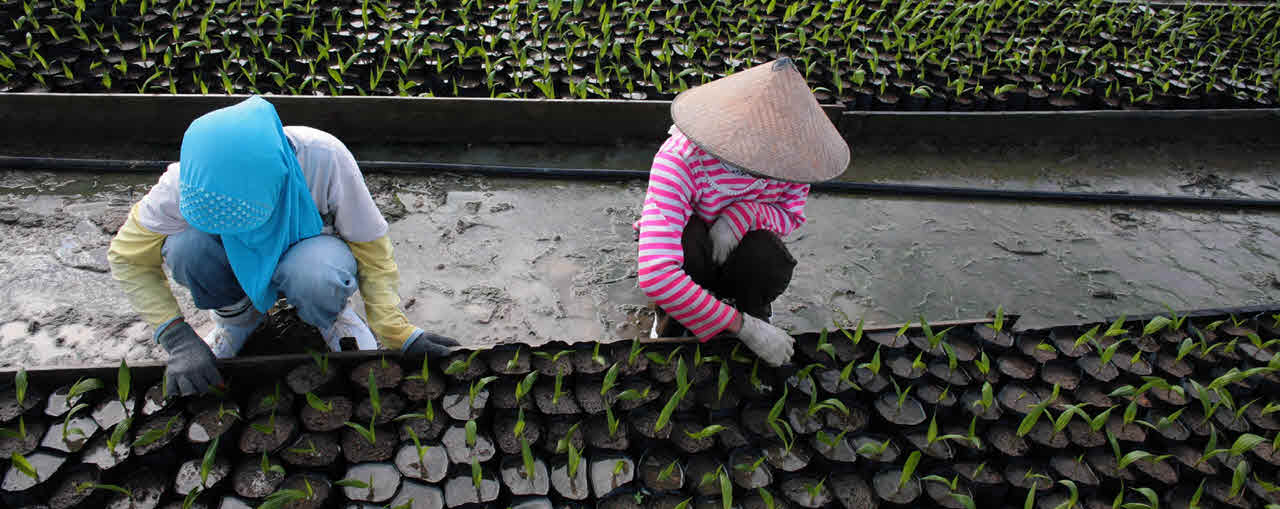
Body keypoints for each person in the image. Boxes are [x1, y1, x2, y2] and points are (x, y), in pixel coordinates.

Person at [108, 96, 457, 396]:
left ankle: (330, 318)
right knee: (186, 248)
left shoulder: (322, 158)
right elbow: (128, 258)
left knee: (317, 276)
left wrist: (395, 330)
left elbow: (371, 247)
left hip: (309, 250)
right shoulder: (182, 185)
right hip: (231, 258)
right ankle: (237, 319)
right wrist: (177, 337)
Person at [635, 58, 851, 367]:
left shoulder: (797, 161)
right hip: (693, 251)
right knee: (684, 240)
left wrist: (740, 217)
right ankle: (674, 320)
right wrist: (743, 328)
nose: (768, 172)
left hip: (740, 251)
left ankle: (753, 309)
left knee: (767, 253)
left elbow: (788, 216)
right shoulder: (680, 159)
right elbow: (657, 274)